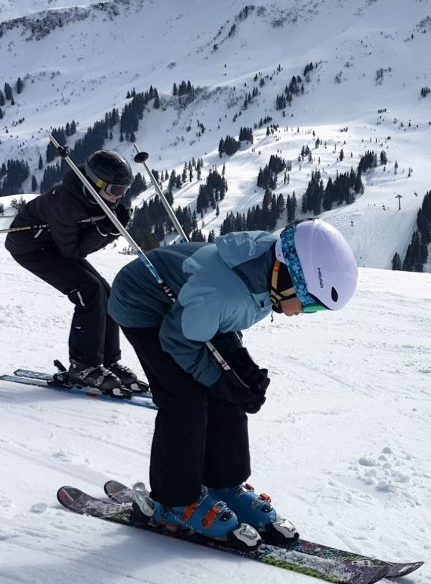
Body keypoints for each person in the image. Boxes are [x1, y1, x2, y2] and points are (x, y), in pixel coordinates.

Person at [107, 218, 359, 547]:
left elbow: (222, 318)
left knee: (232, 392)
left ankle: (223, 485)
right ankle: (173, 502)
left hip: (193, 310)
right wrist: (217, 377)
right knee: (185, 401)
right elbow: (179, 338)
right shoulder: (225, 293)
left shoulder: (269, 266)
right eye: (308, 302)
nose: (302, 313)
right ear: (291, 277)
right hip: (144, 306)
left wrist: (236, 366)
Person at [6, 149, 143, 395]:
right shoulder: (66, 202)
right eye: (115, 190)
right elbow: (73, 251)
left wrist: (109, 226)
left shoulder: (96, 197)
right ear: (95, 183)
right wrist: (105, 232)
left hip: (54, 243)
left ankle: (108, 361)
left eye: (124, 190)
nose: (119, 197)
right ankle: (84, 366)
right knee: (87, 291)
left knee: (105, 291)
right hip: (31, 247)